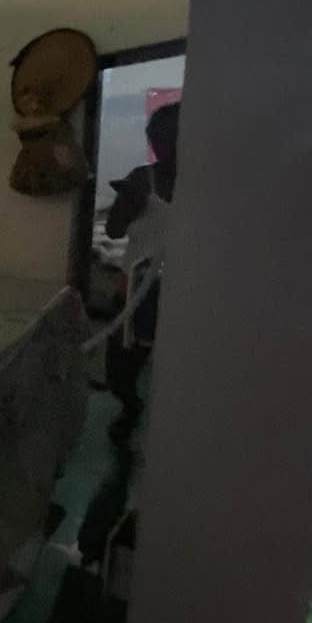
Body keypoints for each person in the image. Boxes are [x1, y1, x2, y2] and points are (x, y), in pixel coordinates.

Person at [104, 102, 180, 441]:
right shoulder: (141, 179)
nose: (163, 148)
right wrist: (129, 202)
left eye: (170, 139)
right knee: (120, 369)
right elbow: (113, 232)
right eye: (157, 141)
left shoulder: (207, 186)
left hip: (182, 294)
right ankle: (130, 407)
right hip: (135, 291)